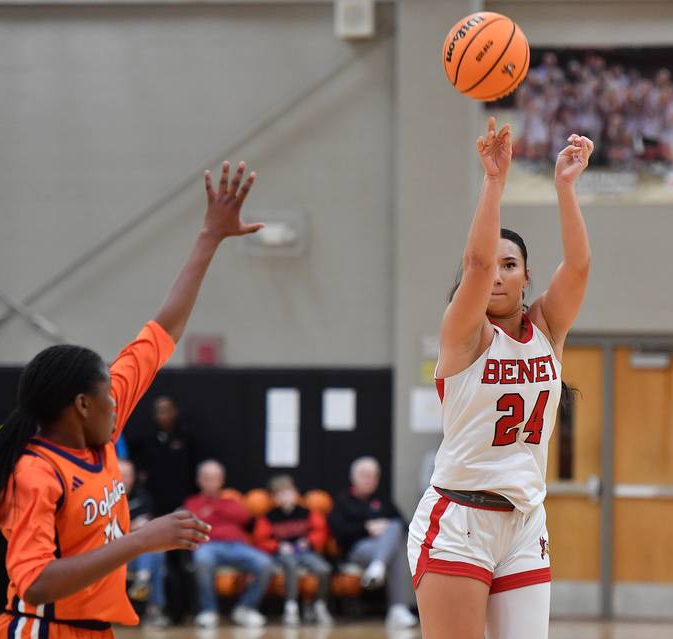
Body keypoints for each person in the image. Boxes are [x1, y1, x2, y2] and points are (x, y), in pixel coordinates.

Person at [0, 161, 263, 639]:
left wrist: (210, 237)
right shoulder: (35, 474)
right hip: (41, 630)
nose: (117, 404)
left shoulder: (101, 427)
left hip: (94, 629)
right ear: (80, 405)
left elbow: (165, 327)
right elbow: (35, 584)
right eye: (107, 399)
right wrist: (139, 540)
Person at [407, 117, 592, 639]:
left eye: (511, 265)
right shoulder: (464, 334)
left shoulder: (546, 330)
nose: (497, 273)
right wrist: (493, 181)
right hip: (459, 521)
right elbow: (476, 259)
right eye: (493, 267)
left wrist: (565, 187)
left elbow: (578, 267)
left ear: (526, 277)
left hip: (525, 521)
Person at [328, 457, 417, 629]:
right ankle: (397, 608)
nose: (370, 479)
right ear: (354, 477)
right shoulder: (343, 500)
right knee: (396, 549)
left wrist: (384, 526)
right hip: (356, 550)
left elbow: (404, 525)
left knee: (395, 528)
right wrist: (366, 527)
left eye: (374, 476)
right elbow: (339, 532)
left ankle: (378, 566)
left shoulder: (382, 499)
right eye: (365, 475)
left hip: (381, 550)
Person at [185, 460, 274, 629]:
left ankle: (245, 608)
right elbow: (194, 521)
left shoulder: (232, 501)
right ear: (199, 480)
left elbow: (244, 517)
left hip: (237, 546)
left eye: (215, 478)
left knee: (265, 563)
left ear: (221, 480)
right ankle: (208, 611)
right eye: (207, 478)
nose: (211, 483)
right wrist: (218, 513)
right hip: (208, 546)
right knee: (201, 559)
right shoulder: (192, 502)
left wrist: (214, 510)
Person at [252, 475, 333, 626]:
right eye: (280, 494)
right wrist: (277, 546)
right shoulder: (268, 517)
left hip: (305, 552)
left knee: (324, 569)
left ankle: (320, 605)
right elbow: (260, 540)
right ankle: (291, 608)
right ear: (274, 497)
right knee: (290, 565)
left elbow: (321, 531)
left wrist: (308, 541)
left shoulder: (307, 512)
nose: (286, 497)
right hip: (281, 554)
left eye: (288, 492)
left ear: (295, 493)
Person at [118, 459, 170, 628]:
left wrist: (142, 526)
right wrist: (130, 527)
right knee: (154, 559)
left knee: (155, 551)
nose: (124, 479)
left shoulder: (142, 498)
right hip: (110, 554)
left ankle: (143, 580)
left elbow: (148, 526)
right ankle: (153, 609)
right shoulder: (103, 497)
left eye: (128, 475)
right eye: (121, 475)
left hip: (134, 556)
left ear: (133, 478)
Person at [133, 396, 197, 517]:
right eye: (160, 412)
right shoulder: (145, 440)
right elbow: (139, 465)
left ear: (175, 412)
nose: (164, 415)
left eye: (167, 410)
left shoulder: (186, 438)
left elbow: (193, 466)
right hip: (154, 496)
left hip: (181, 495)